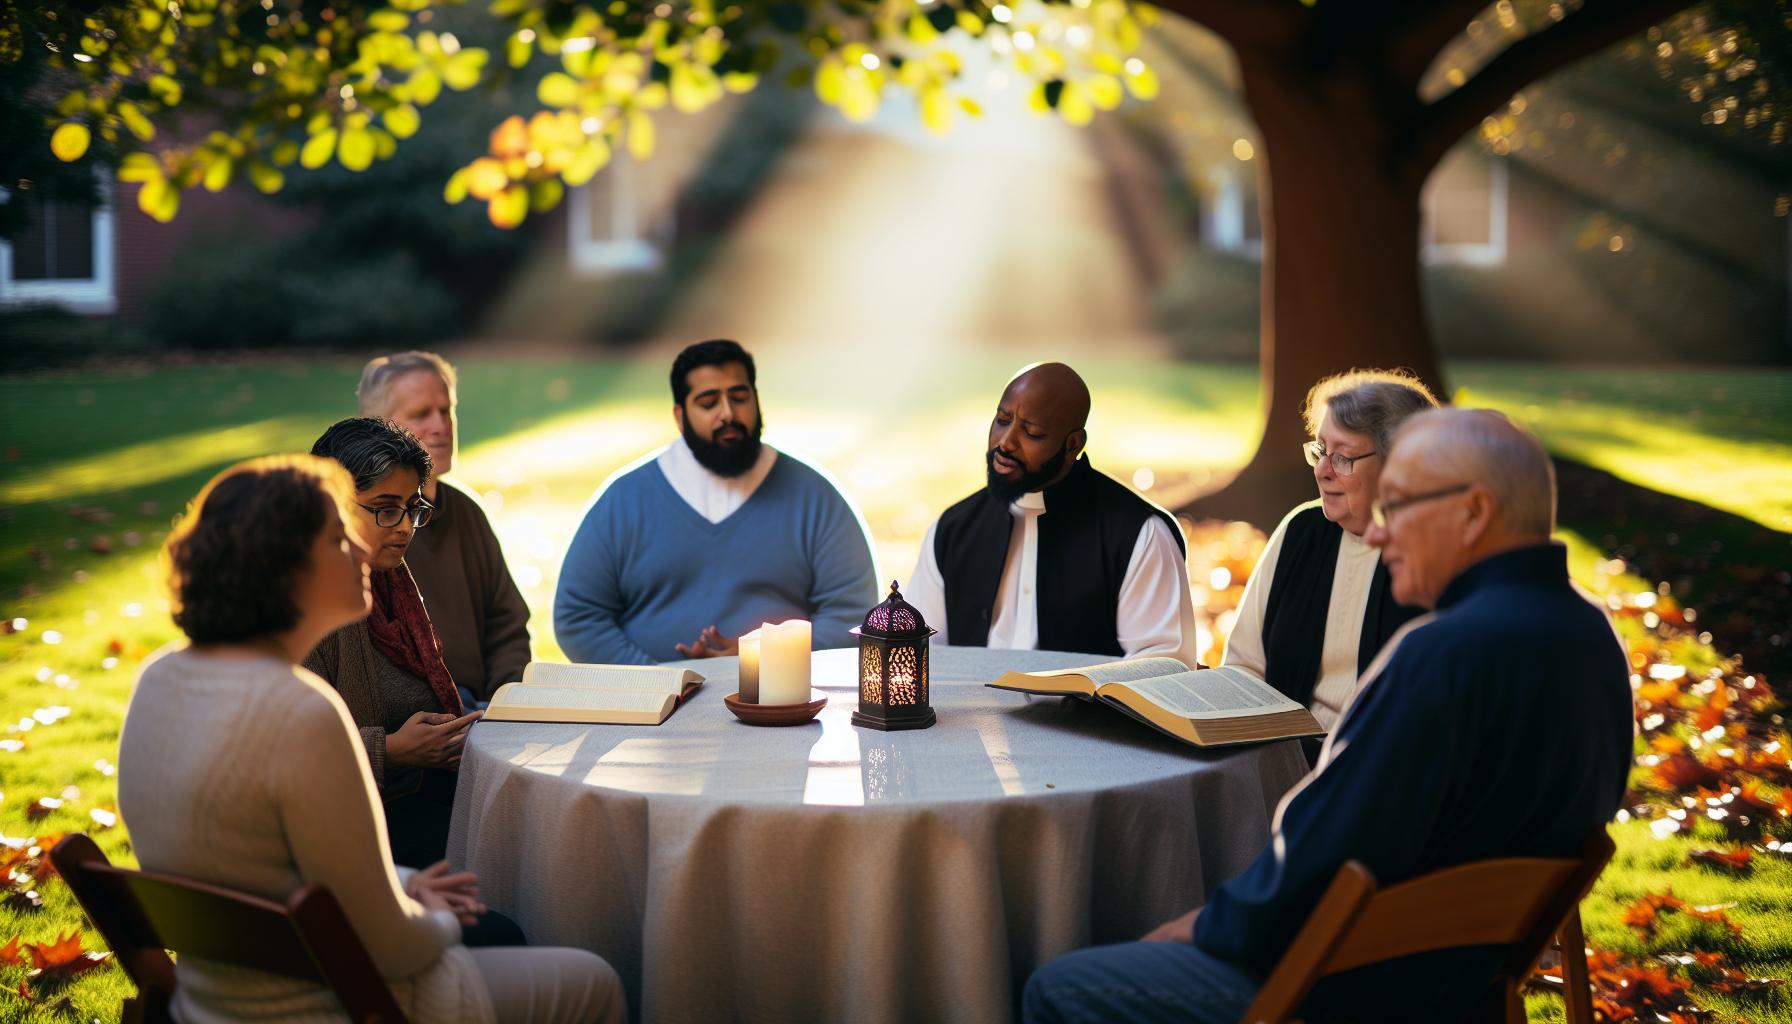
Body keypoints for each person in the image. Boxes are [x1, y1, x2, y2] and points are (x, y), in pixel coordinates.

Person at [1023, 408, 1635, 1024]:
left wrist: (1206, 926)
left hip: (1347, 987)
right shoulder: (1592, 638)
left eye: (1398, 507)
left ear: (1473, 513)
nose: (1380, 534)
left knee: (1062, 986)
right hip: (1464, 984)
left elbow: (1326, 857)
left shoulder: (1442, 655)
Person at [117, 455, 625, 1024]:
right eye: (337, 539)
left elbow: (251, 868)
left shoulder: (158, 679)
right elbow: (391, 949)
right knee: (595, 980)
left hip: (212, 1003)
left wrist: (405, 884)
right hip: (338, 1004)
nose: (359, 549)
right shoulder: (301, 712)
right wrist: (436, 914)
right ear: (285, 569)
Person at [555, 339, 879, 663]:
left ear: (757, 401)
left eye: (739, 397)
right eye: (709, 403)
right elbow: (578, 617)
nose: (728, 413)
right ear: (680, 416)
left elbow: (852, 617)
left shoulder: (816, 497)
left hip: (781, 707)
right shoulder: (623, 500)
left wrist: (767, 656)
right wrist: (659, 683)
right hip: (651, 706)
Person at [905, 362, 1198, 666]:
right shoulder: (952, 530)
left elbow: (1165, 664)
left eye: (1032, 432)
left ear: (1073, 445)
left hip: (1090, 714)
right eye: (1002, 420)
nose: (1006, 443)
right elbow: (921, 653)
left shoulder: (1139, 534)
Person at [1222, 370, 1438, 746]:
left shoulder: (1434, 554)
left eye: (1343, 458)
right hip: (1277, 755)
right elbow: (1244, 665)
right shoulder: (1300, 532)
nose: (1322, 472)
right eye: (1321, 450)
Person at [305, 417, 474, 871]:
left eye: (411, 507)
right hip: (342, 826)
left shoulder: (390, 580)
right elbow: (284, 752)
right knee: (498, 860)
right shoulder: (306, 603)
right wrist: (394, 750)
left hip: (405, 790)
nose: (403, 527)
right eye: (384, 508)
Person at [358, 351, 532, 704]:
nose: (441, 425)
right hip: (416, 716)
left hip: (489, 706)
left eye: (446, 409)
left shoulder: (468, 511)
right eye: (422, 414)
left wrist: (506, 699)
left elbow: (508, 624)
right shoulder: (364, 524)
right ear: (378, 426)